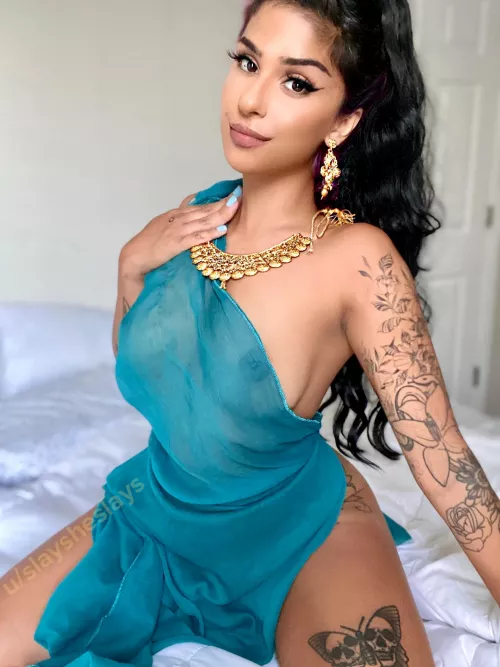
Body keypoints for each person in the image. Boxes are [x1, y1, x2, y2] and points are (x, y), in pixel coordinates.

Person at [1, 1, 499, 665]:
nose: (250, 101)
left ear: (344, 119)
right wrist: (129, 272)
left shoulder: (358, 258)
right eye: (246, 61)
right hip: (157, 508)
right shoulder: (196, 218)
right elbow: (148, 369)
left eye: (296, 82)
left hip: (299, 527)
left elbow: (444, 459)